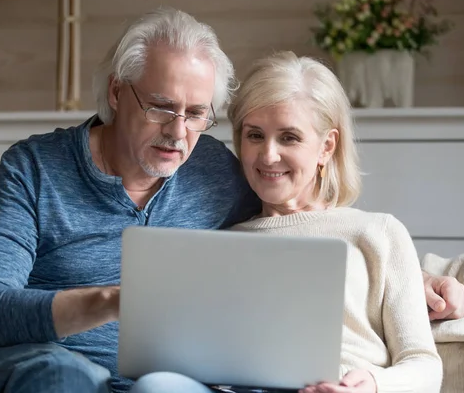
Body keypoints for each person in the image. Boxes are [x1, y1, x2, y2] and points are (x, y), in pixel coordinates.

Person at [0, 7, 462, 393]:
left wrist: (419, 276)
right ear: (116, 93)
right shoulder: (33, 168)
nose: (179, 133)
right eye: (160, 106)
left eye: (198, 113)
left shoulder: (218, 174)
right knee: (68, 379)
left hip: (147, 385)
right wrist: (113, 300)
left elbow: (306, 228)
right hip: (21, 370)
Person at [132, 52, 444, 393]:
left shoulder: (377, 232)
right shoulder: (220, 239)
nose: (268, 155)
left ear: (326, 146)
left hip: (336, 387)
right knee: (156, 384)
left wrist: (371, 384)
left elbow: (423, 363)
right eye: (254, 135)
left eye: (289, 137)